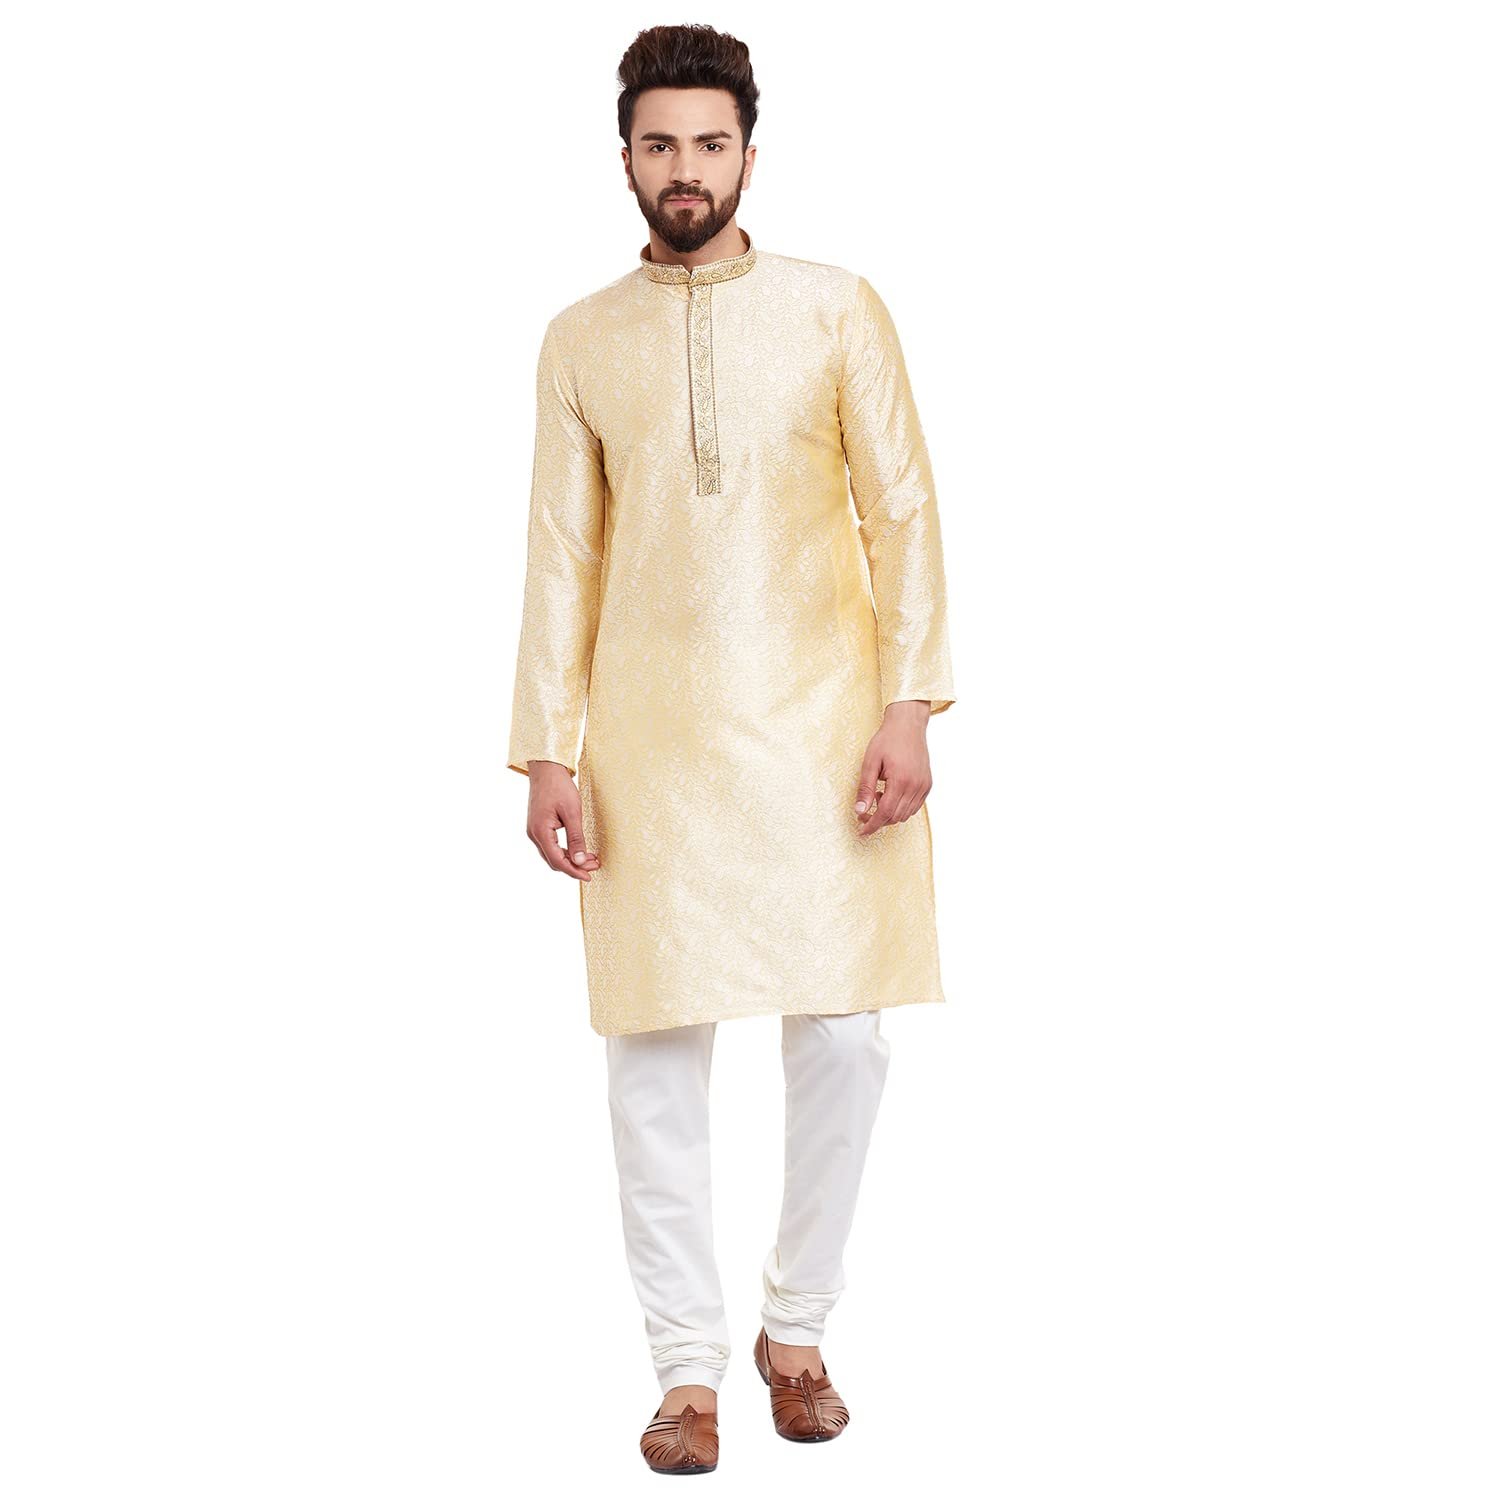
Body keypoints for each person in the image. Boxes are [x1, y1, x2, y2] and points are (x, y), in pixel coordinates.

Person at [506, 24, 956, 1474]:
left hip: (828, 738)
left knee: (847, 1042)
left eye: (709, 143)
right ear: (625, 159)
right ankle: (687, 1370)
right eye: (661, 145)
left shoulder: (836, 310)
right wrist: (549, 750)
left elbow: (903, 511)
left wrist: (910, 703)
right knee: (653, 1061)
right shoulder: (580, 339)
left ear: (750, 155)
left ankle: (798, 1327)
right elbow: (563, 555)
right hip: (649, 749)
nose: (685, 169)